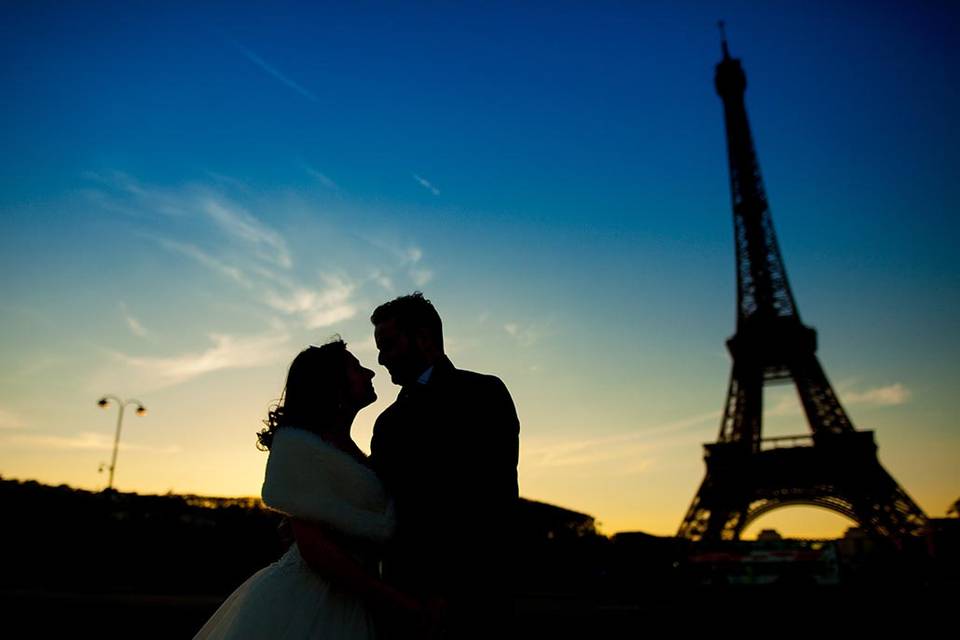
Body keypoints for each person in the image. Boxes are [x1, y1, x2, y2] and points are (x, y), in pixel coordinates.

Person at [194, 339, 427, 640]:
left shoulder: (354, 449)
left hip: (356, 595)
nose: (370, 372)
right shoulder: (299, 448)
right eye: (356, 368)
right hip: (312, 599)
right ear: (332, 384)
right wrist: (398, 603)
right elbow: (315, 549)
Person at [369, 293, 520, 638]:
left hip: (473, 597)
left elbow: (489, 500)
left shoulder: (483, 394)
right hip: (400, 596)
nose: (380, 359)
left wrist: (445, 589)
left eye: (388, 344)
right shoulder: (387, 422)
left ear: (423, 338)